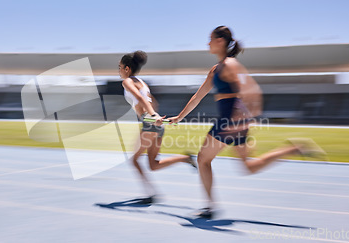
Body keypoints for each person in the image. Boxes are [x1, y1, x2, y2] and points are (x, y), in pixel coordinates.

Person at [168, 26, 326, 218]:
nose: (207, 43)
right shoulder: (215, 70)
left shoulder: (230, 65)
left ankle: (210, 207)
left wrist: (249, 116)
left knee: (203, 159)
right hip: (236, 122)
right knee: (248, 166)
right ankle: (293, 148)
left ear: (220, 41)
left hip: (230, 120)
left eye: (210, 39)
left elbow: (252, 90)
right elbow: (197, 97)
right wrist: (179, 117)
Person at [120, 50, 196, 204]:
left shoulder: (127, 81)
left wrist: (151, 116)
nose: (119, 71)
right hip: (156, 124)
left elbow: (140, 98)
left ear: (127, 69)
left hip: (150, 122)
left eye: (120, 67)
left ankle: (150, 193)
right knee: (153, 165)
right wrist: (154, 115)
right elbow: (152, 102)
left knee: (134, 160)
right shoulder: (143, 82)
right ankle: (185, 158)